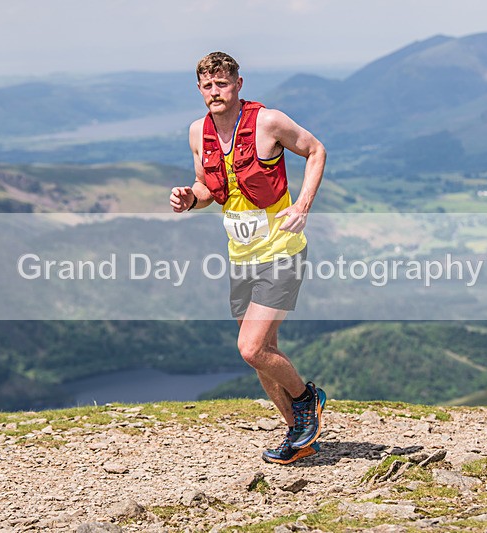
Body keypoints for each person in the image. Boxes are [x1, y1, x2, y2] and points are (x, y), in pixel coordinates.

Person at [170, 52, 328, 465]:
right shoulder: (197, 132)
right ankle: (299, 435)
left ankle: (307, 400)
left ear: (239, 83)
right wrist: (190, 198)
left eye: (222, 83)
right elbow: (207, 189)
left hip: (282, 251)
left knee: (251, 347)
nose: (214, 92)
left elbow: (315, 150)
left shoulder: (267, 122)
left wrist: (304, 205)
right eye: (207, 85)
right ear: (199, 89)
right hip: (241, 257)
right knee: (264, 355)